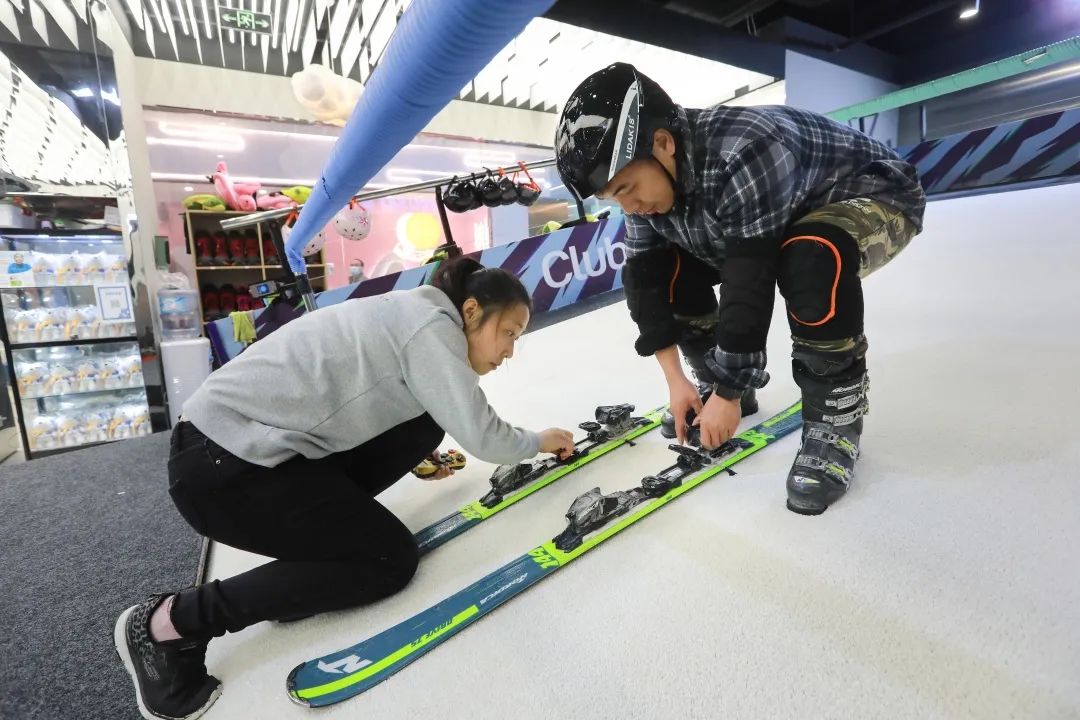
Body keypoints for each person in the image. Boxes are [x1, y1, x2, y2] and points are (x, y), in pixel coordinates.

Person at [114, 256, 574, 720]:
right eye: (510, 333)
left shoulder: (414, 311)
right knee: (386, 561)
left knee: (425, 426)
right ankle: (166, 624)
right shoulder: (432, 331)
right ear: (472, 311)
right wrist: (538, 441)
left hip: (231, 450)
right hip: (221, 469)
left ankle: (315, 556)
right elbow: (484, 436)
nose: (511, 351)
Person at [554, 63, 925, 516]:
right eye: (615, 197)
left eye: (628, 188)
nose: (629, 206)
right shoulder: (647, 179)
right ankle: (714, 376)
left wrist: (728, 392)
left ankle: (835, 421)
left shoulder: (746, 145)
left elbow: (748, 280)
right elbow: (645, 283)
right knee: (668, 263)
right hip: (773, 219)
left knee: (809, 256)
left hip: (873, 196)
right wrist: (678, 382)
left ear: (664, 144)